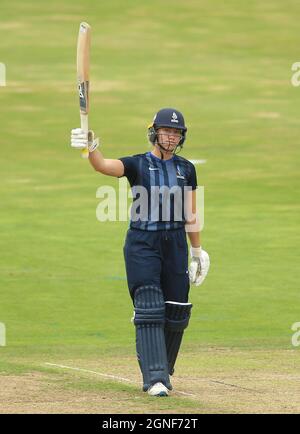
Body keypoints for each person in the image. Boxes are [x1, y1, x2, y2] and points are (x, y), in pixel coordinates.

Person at [71, 108, 210, 397]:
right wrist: (90, 146)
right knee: (149, 305)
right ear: (154, 133)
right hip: (142, 243)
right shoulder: (137, 164)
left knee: (177, 309)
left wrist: (197, 250)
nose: (171, 137)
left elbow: (192, 212)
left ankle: (161, 367)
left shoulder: (186, 169)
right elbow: (103, 166)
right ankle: (155, 378)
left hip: (175, 244)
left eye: (176, 132)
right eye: (166, 131)